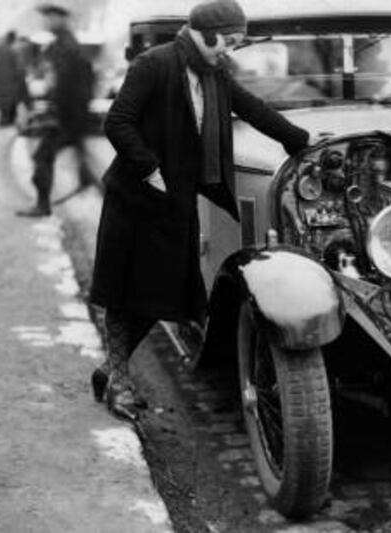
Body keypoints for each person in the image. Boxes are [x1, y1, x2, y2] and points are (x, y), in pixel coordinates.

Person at [89, 0, 312, 421]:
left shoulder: (213, 74)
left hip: (174, 204)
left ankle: (108, 371)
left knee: (164, 296)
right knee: (125, 296)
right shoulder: (153, 65)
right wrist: (150, 168)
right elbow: (117, 123)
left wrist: (300, 140)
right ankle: (118, 382)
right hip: (137, 200)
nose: (228, 50)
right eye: (227, 41)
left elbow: (254, 109)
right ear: (205, 34)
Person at [16, 3, 94, 217]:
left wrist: (60, 112)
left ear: (60, 18)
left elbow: (70, 84)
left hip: (65, 115)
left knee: (42, 158)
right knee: (59, 154)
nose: (46, 21)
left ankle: (43, 205)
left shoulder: (66, 45)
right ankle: (85, 176)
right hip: (67, 114)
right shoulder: (61, 43)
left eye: (49, 17)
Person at [0, 31, 27, 126]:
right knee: (6, 115)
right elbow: (20, 71)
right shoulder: (13, 52)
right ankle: (5, 128)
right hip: (8, 88)